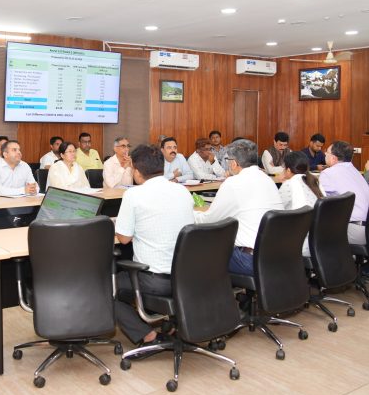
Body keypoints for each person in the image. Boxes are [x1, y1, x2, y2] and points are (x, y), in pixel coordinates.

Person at [114, 145, 194, 346]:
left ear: (137, 172)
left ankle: (147, 335)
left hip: (156, 281)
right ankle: (172, 325)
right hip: (187, 276)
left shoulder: (134, 195)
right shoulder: (182, 191)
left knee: (101, 286)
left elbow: (123, 239)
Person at [194, 139, 283, 275]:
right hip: (277, 256)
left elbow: (209, 220)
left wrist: (190, 213)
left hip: (249, 260)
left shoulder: (233, 183)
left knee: (201, 247)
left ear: (234, 163)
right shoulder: (267, 179)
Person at [319, 141, 369, 245]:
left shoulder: (328, 173)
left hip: (355, 230)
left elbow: (321, 203)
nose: (325, 154)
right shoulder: (355, 171)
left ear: (333, 158)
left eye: (327, 152)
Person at [278, 152, 324, 257]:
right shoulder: (315, 181)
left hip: (301, 243)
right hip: (319, 241)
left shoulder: (290, 184)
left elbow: (275, 210)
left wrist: (283, 183)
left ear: (288, 170)